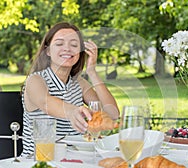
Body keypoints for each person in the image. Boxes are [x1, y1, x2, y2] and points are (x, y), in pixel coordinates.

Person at [21, 22, 119, 157]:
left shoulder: (79, 83)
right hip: (38, 164)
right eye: (59, 44)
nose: (67, 49)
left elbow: (112, 113)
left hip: (75, 162)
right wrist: (73, 111)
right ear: (47, 50)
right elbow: (45, 102)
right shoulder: (35, 80)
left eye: (74, 45)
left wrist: (92, 72)